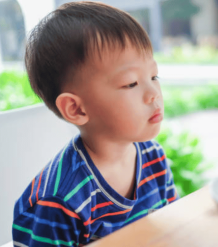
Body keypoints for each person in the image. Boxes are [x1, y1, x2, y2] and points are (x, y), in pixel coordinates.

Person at [12, 2, 178, 246]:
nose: (154, 93)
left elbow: (174, 228)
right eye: (131, 83)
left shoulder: (153, 157)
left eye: (154, 76)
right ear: (77, 108)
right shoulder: (60, 200)